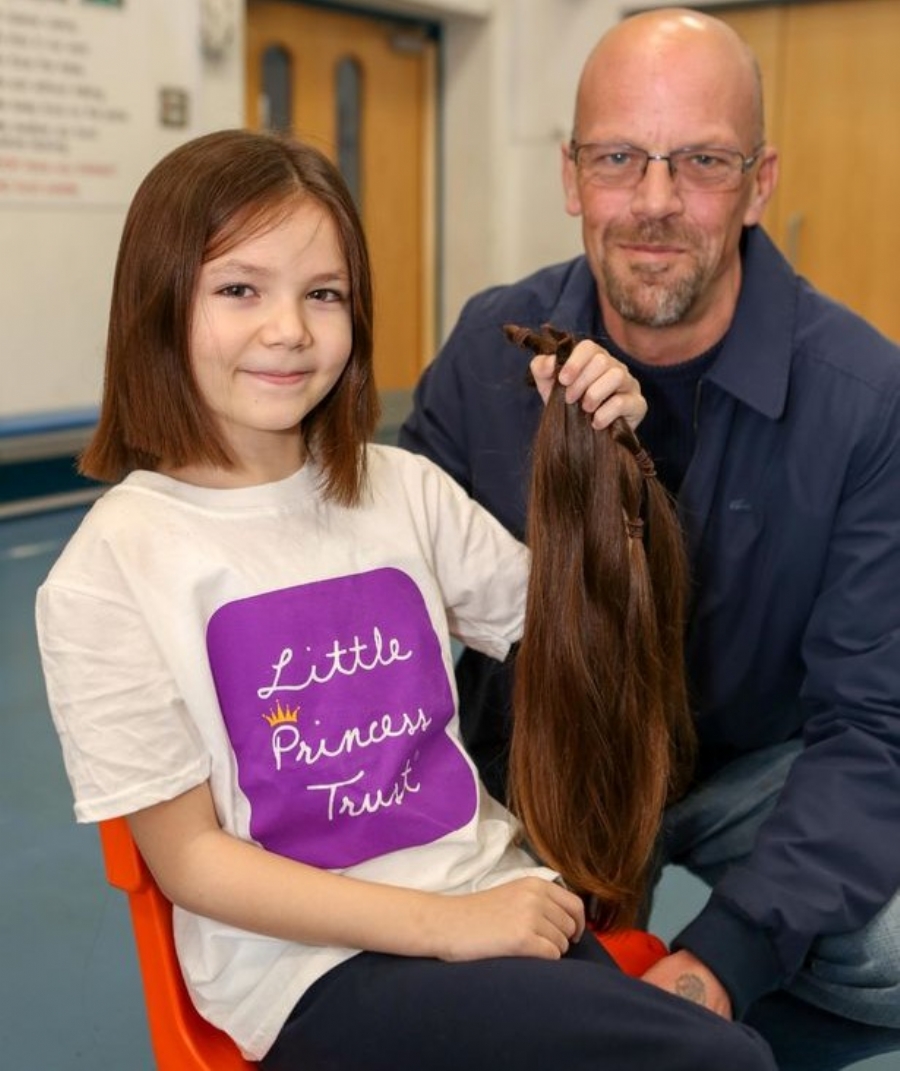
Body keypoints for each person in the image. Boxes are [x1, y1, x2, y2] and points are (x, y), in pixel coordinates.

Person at [34, 128, 776, 1071]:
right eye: (238, 289)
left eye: (323, 294)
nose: (289, 330)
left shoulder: (399, 489)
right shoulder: (112, 569)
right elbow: (191, 862)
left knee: (719, 1051)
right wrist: (447, 925)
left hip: (495, 898)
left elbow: (581, 640)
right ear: (158, 303)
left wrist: (608, 466)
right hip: (313, 970)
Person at [399, 8, 900, 1070]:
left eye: (703, 161)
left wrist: (720, 961)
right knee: (393, 961)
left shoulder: (865, 399)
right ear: (572, 175)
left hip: (752, 767)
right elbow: (388, 631)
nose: (657, 202)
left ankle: (659, 1039)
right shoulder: (487, 356)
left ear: (760, 181)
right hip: (536, 768)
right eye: (620, 158)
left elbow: (873, 728)